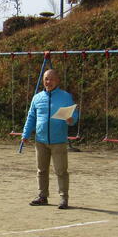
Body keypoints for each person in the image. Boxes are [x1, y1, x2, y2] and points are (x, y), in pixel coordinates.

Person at [21, 68, 79, 209]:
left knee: (61, 171)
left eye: (52, 79)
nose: (49, 82)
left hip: (58, 141)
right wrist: (25, 134)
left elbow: (74, 115)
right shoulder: (37, 98)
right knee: (41, 170)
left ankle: (63, 198)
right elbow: (31, 117)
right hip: (40, 140)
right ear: (43, 81)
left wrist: (71, 119)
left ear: (57, 81)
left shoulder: (65, 97)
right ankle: (42, 196)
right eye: (46, 79)